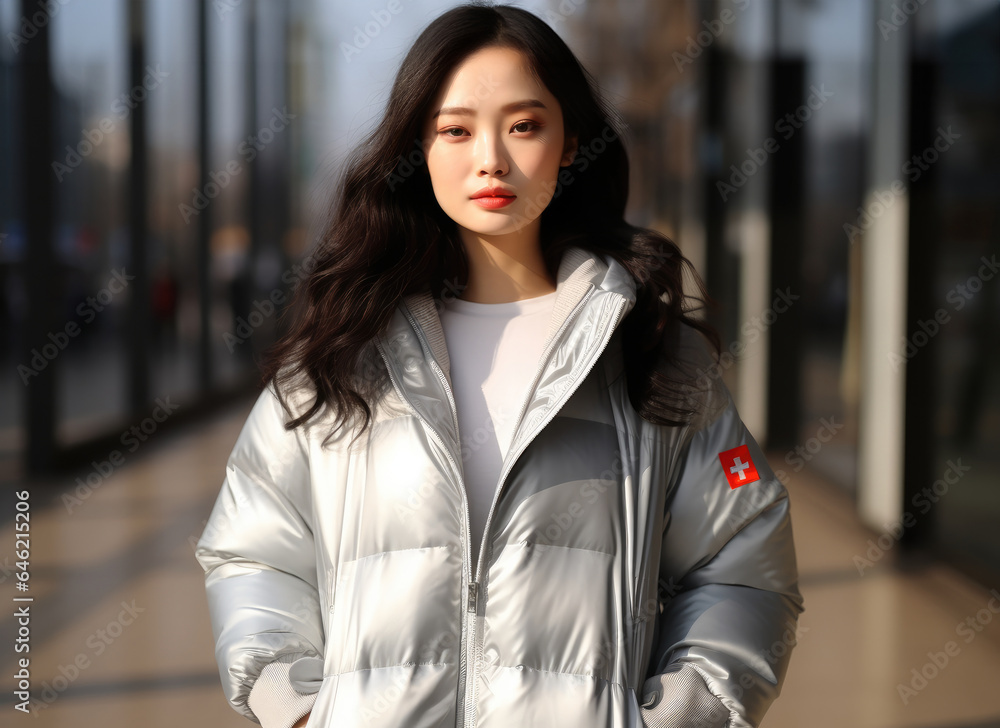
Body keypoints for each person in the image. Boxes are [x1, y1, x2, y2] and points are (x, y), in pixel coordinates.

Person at [194, 4, 804, 727]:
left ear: (570, 141)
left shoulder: (648, 351)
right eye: (455, 130)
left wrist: (684, 715)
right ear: (417, 149)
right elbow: (254, 549)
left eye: (524, 125)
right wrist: (292, 704)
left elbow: (745, 559)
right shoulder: (343, 352)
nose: (491, 158)